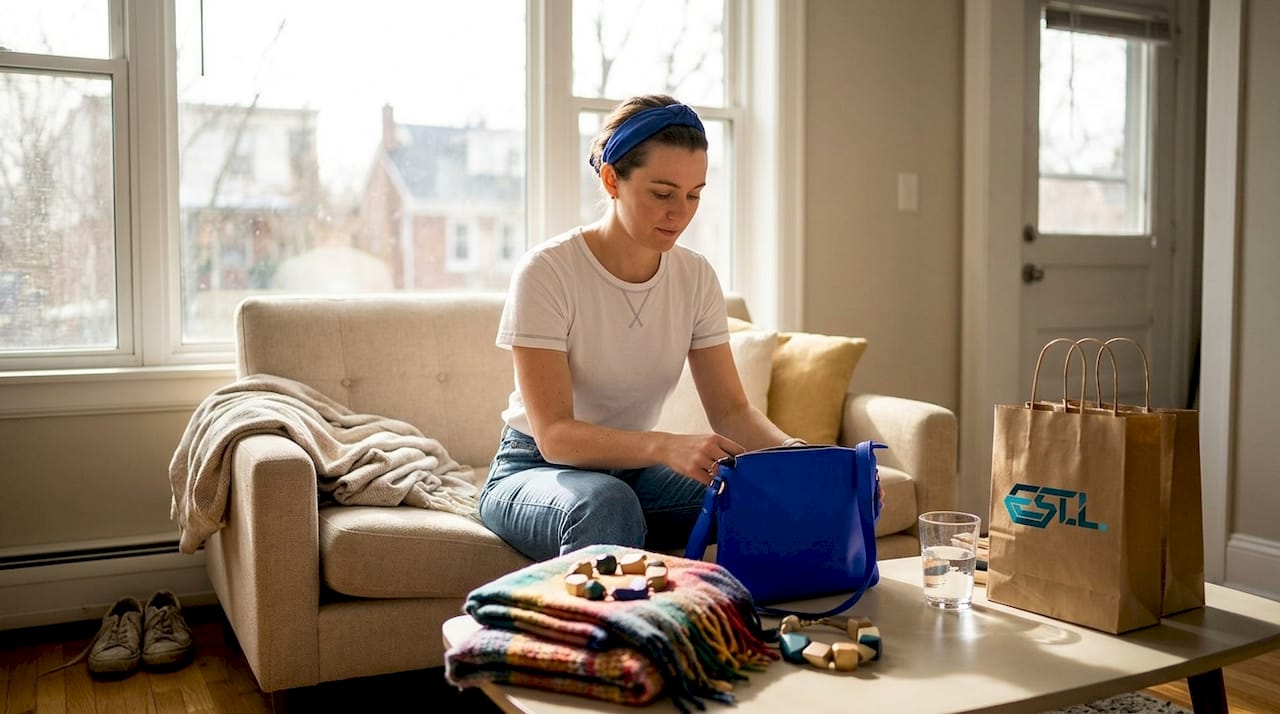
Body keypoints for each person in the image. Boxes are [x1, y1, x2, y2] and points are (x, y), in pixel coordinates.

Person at [478, 94, 803, 562]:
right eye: (662, 193)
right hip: (535, 469)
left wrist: (806, 461)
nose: (680, 213)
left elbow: (731, 411)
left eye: (694, 195)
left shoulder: (695, 277)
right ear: (612, 179)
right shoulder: (548, 271)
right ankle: (618, 636)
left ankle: (754, 632)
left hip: (632, 473)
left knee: (759, 493)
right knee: (608, 504)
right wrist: (665, 446)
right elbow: (555, 435)